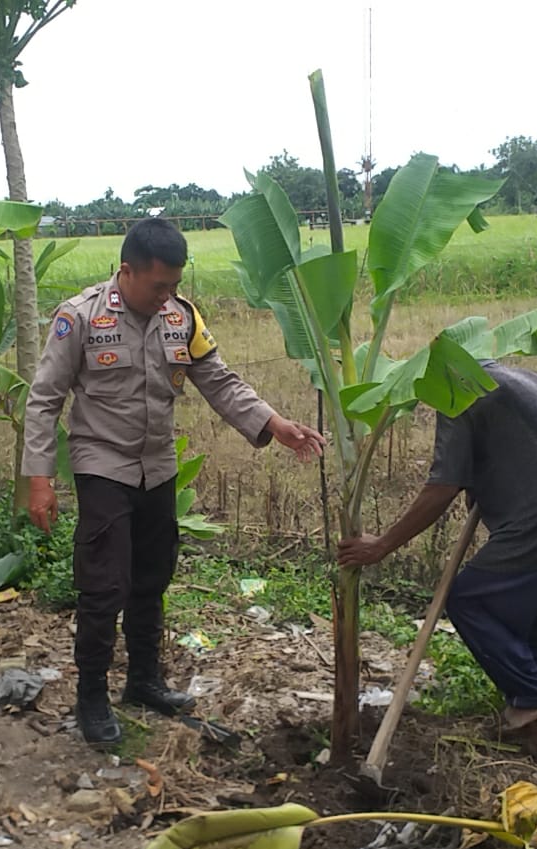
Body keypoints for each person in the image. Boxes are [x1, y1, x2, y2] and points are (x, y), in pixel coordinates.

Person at [23, 218, 325, 745]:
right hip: (102, 465)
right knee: (103, 585)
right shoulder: (81, 318)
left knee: (151, 577)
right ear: (126, 272)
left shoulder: (181, 319)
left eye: (175, 286)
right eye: (159, 285)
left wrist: (273, 423)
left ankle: (143, 681)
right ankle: (91, 695)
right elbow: (45, 398)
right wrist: (40, 479)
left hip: (156, 466)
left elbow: (218, 379)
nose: (169, 295)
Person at [337, 361, 537, 744]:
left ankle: (535, 695)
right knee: (533, 632)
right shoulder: (528, 381)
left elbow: (442, 488)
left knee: (470, 600)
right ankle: (533, 733)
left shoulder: (456, 393)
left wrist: (381, 545)